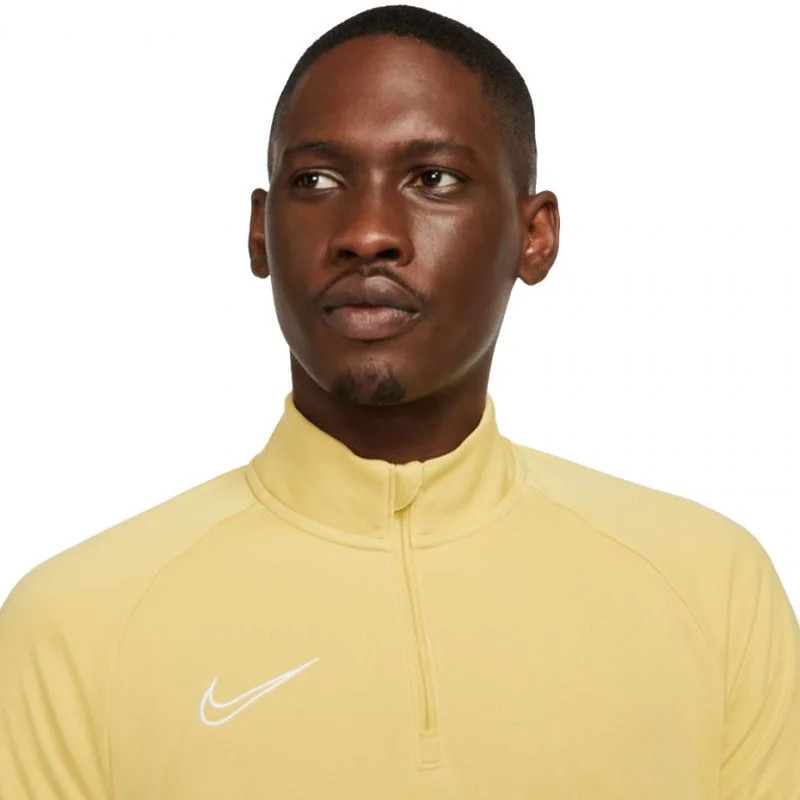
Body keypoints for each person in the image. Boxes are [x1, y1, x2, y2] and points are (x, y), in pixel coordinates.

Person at [1, 4, 798, 798]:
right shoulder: (77, 626)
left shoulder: (711, 588)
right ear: (260, 231)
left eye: (433, 178)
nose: (368, 232)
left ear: (535, 236)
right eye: (316, 180)